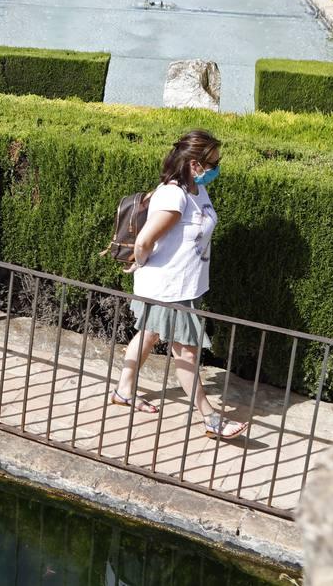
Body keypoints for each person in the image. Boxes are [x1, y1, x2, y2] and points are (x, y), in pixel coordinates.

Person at [110, 130, 247, 440]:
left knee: (148, 335)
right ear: (195, 164)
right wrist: (140, 263)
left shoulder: (196, 190)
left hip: (183, 284)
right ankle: (210, 418)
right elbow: (144, 239)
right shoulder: (174, 195)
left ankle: (124, 390)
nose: (217, 168)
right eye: (213, 162)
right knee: (186, 353)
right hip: (168, 288)